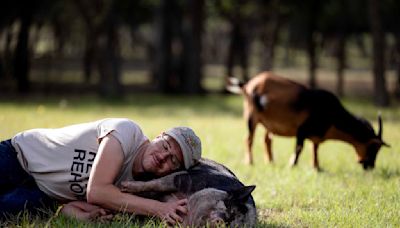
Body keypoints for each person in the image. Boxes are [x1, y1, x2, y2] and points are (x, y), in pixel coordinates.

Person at [0, 118, 202, 224]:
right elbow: (96, 191)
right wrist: (159, 209)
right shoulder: (126, 132)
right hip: (18, 155)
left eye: (173, 160)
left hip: (39, 195)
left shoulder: (135, 190)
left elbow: (67, 209)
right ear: (158, 136)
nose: (163, 157)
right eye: (165, 146)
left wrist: (88, 217)